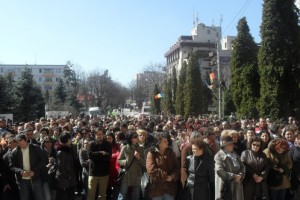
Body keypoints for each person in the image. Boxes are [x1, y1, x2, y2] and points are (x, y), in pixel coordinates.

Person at [9, 133, 47, 200]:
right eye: (19, 145)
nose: (22, 146)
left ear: (26, 140)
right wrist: (21, 171)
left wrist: (34, 171)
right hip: (22, 180)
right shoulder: (15, 152)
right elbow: (12, 166)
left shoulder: (35, 148)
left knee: (40, 197)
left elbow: (44, 160)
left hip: (36, 178)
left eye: (23, 144)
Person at [146, 132, 180, 200]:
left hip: (169, 188)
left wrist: (172, 177)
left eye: (167, 141)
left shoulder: (171, 153)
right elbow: (151, 170)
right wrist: (166, 177)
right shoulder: (152, 153)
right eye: (164, 141)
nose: (167, 142)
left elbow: (177, 167)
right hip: (157, 188)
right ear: (158, 143)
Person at [214, 135, 245, 200]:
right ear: (225, 145)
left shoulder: (235, 154)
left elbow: (242, 166)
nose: (233, 145)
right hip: (225, 187)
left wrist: (241, 174)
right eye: (231, 144)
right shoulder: (218, 156)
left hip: (237, 185)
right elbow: (219, 170)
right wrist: (234, 176)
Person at [118, 131, 145, 200]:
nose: (137, 138)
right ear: (130, 138)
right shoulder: (125, 148)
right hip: (127, 175)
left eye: (137, 136)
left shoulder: (140, 148)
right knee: (122, 194)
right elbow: (119, 160)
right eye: (135, 137)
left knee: (136, 196)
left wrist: (139, 157)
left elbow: (144, 163)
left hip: (137, 175)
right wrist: (126, 162)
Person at [88, 127, 112, 200]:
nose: (99, 136)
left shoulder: (107, 144)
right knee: (91, 194)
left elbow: (108, 157)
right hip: (93, 172)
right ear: (95, 135)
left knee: (102, 195)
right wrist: (101, 153)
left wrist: (96, 155)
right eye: (98, 134)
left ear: (103, 135)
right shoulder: (91, 144)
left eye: (101, 134)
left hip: (104, 173)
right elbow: (90, 155)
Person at [55, 132, 77, 200]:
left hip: (69, 179)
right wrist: (68, 177)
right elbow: (62, 167)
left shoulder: (68, 149)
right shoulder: (61, 152)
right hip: (65, 181)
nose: (71, 140)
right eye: (70, 139)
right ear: (67, 140)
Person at [106, 132, 120, 199]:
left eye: (110, 138)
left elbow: (119, 154)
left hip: (115, 167)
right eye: (107, 138)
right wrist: (114, 155)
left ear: (113, 138)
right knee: (107, 184)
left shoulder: (117, 145)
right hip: (107, 167)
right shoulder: (104, 145)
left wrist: (111, 156)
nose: (108, 140)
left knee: (115, 184)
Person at [289, 132, 300, 199]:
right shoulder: (292, 149)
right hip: (295, 177)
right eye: (298, 138)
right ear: (295, 139)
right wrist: (298, 175)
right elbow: (291, 163)